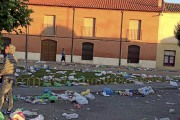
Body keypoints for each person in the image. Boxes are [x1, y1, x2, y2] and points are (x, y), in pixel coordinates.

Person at [0, 44, 18, 114]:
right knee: (10, 94)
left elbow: (6, 69)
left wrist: (0, 74)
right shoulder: (15, 58)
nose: (5, 49)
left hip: (7, 79)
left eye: (6, 48)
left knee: (1, 94)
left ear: (10, 50)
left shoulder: (8, 57)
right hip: (12, 79)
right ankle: (9, 110)